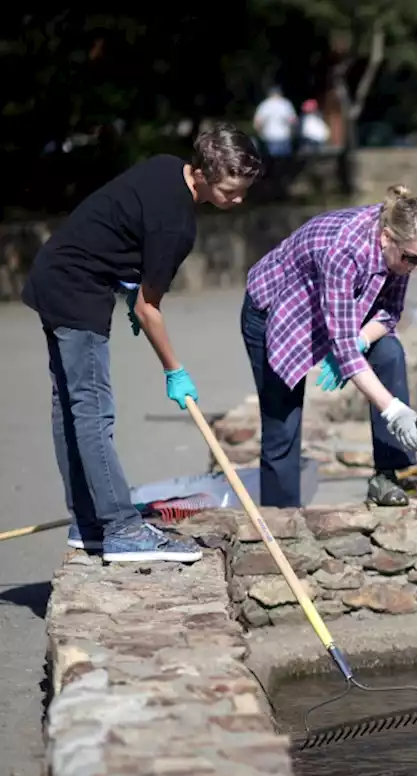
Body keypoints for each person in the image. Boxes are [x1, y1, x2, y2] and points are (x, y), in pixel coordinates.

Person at [22, 122, 264, 562]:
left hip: (53, 275)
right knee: (92, 410)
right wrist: (175, 370)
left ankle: (89, 521)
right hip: (77, 292)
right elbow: (148, 310)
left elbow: (120, 227)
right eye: (232, 189)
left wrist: (131, 280)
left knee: (72, 409)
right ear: (206, 173)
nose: (239, 199)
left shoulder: (166, 168)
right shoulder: (178, 226)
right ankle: (120, 528)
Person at [241, 185, 417, 508]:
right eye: (412, 258)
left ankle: (385, 476)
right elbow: (344, 349)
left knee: (389, 353)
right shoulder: (343, 250)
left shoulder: (401, 252)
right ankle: (283, 520)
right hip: (279, 312)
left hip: (341, 311)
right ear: (386, 237)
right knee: (283, 422)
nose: (415, 266)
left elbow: (389, 313)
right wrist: (394, 410)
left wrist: (362, 340)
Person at [253, 85, 297, 157]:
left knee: (272, 159)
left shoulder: (264, 105)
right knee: (285, 159)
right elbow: (293, 121)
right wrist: (293, 132)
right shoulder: (286, 104)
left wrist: (260, 133)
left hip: (269, 136)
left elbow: (258, 122)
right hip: (284, 135)